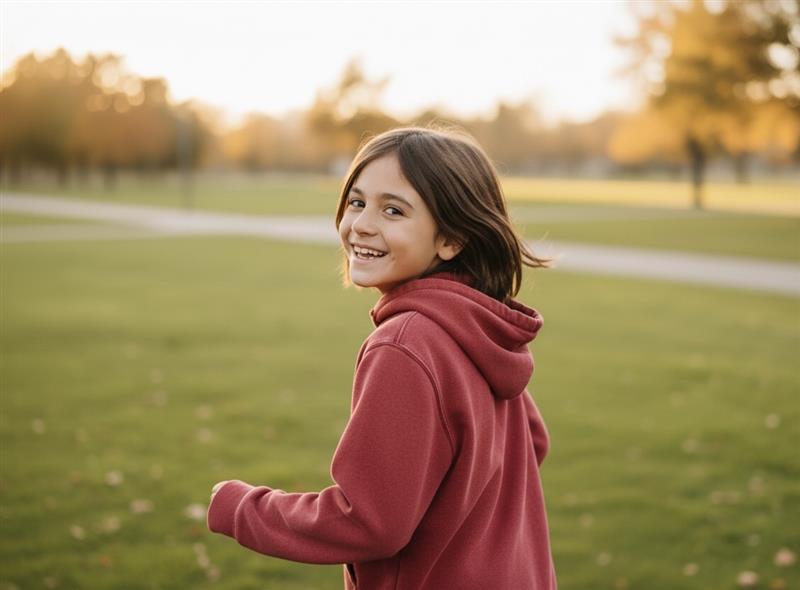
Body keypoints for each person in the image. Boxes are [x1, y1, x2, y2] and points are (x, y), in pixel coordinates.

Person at [207, 126, 557, 589]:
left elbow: (369, 522)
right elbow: (532, 443)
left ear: (450, 239)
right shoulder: (480, 324)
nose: (362, 224)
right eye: (356, 202)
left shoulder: (406, 345)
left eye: (393, 209)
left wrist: (239, 506)